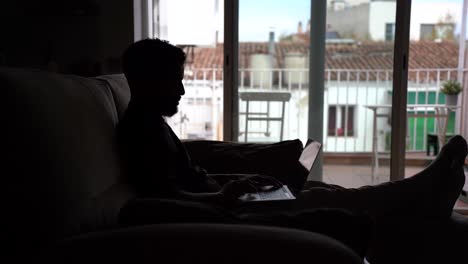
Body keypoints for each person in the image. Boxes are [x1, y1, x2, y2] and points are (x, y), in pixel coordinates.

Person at [117, 38, 467, 258]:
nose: (181, 90)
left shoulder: (151, 123)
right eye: (173, 80)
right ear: (147, 80)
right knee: (333, 200)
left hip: (227, 199)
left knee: (321, 188)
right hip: (226, 214)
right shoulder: (139, 132)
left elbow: (189, 179)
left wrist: (240, 180)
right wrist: (223, 196)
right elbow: (163, 199)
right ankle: (418, 192)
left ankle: (418, 199)